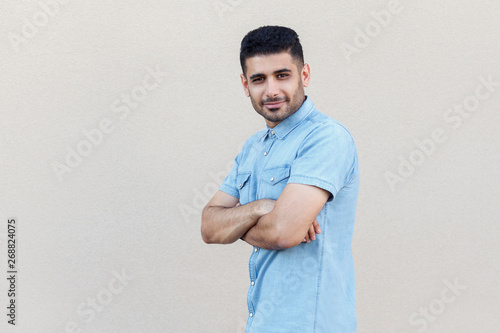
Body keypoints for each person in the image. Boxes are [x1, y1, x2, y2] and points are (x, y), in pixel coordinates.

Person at [201, 25, 359, 332]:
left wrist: (234, 224)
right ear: (245, 85)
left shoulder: (326, 138)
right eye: (259, 79)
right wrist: (261, 208)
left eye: (282, 75)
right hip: (262, 322)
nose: (271, 90)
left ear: (305, 75)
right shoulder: (252, 148)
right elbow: (208, 227)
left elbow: (283, 233)